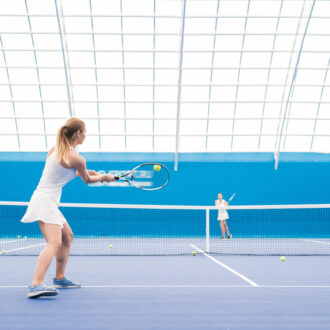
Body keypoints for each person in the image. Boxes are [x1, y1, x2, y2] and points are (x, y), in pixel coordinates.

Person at [21, 118, 115, 298]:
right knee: (54, 242)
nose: (86, 136)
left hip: (46, 200)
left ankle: (59, 277)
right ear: (77, 134)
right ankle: (36, 284)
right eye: (84, 132)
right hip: (45, 201)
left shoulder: (57, 150)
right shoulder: (76, 157)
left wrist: (95, 173)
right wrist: (103, 177)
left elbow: (79, 172)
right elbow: (86, 179)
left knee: (67, 237)